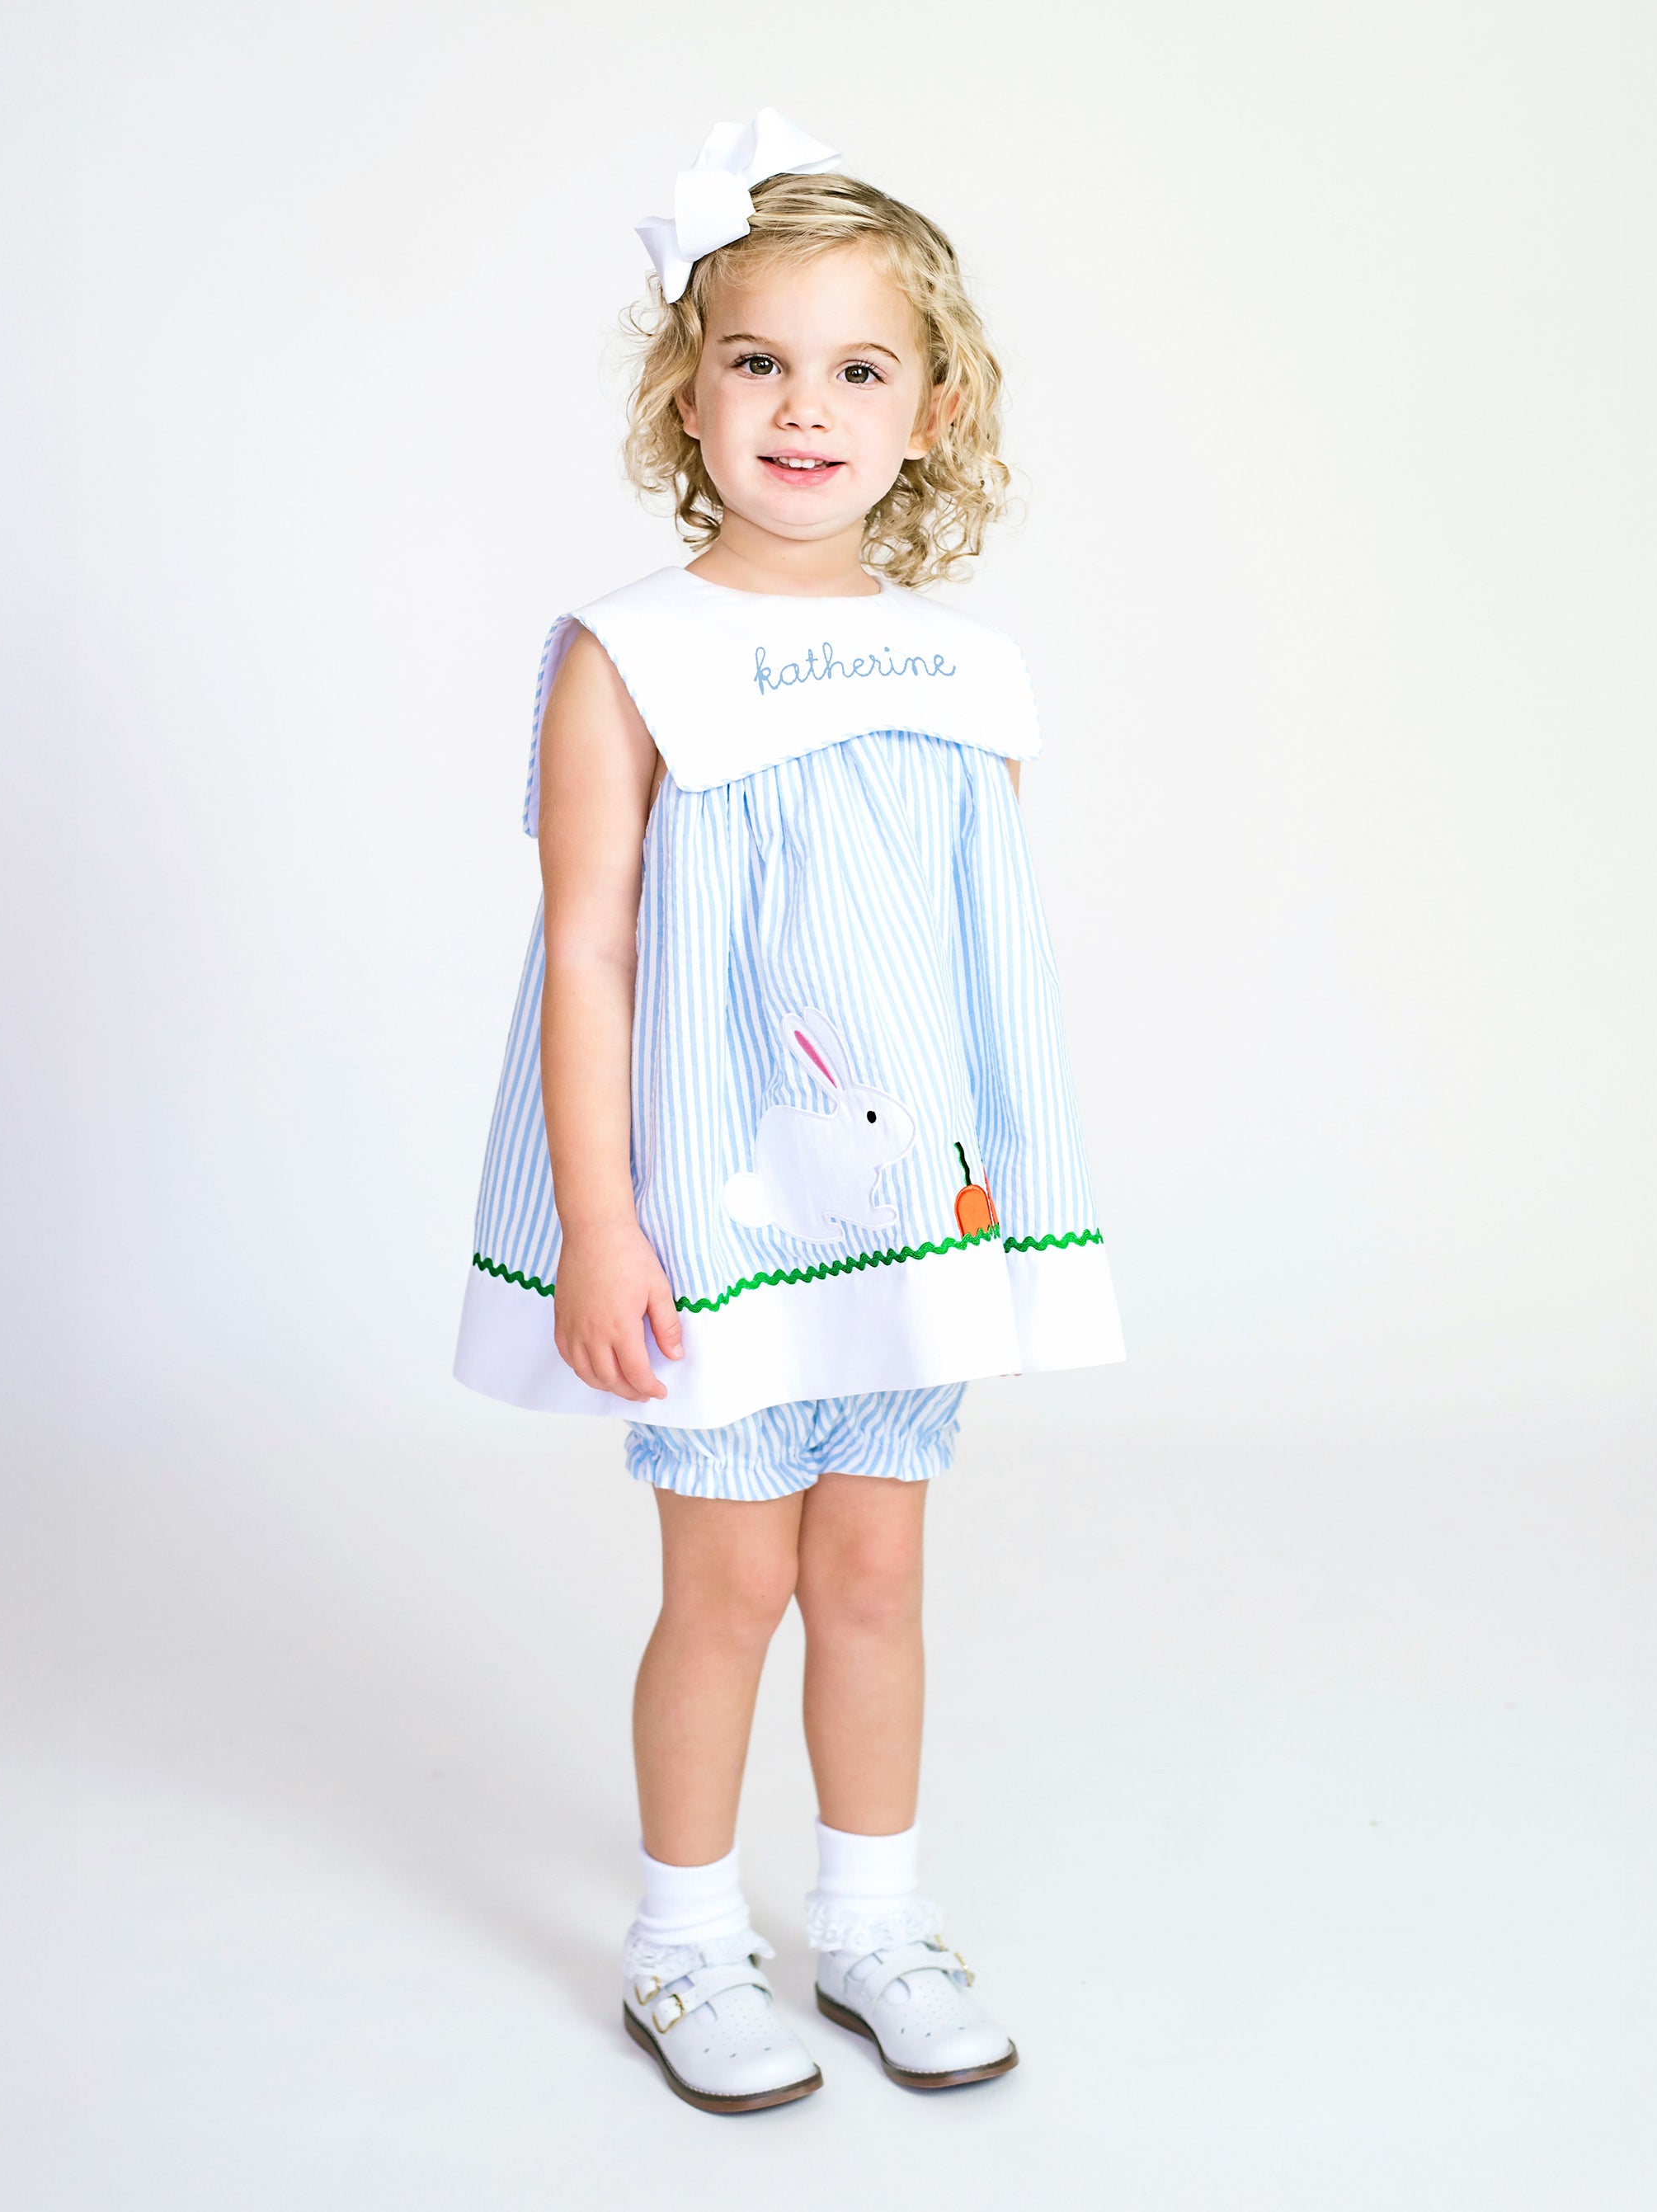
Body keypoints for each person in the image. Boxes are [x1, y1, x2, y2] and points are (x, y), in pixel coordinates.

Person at [454, 109, 1125, 2113]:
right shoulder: (632, 658)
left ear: (933, 410)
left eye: (857, 367)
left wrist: (990, 1213)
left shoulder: (962, 672)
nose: (804, 407)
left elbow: (951, 971)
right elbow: (590, 952)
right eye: (757, 360)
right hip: (714, 1216)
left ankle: (870, 1923)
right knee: (729, 1582)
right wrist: (601, 1221)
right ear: (688, 389)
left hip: (901, 1216)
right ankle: (682, 1944)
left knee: (874, 1575)